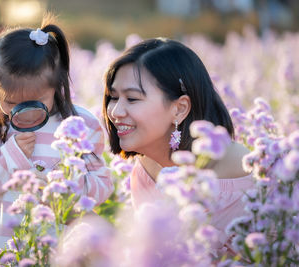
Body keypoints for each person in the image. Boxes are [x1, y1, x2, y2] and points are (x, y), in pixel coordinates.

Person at [0, 17, 113, 267]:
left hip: (62, 256)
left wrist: (66, 189)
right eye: (11, 103)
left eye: (37, 100)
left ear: (57, 85)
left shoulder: (81, 123)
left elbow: (103, 185)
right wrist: (10, 157)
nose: (25, 112)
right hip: (0, 256)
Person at [102, 38, 253, 255]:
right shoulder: (144, 170)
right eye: (113, 97)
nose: (115, 111)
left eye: (132, 98)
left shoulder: (240, 168)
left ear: (180, 108)